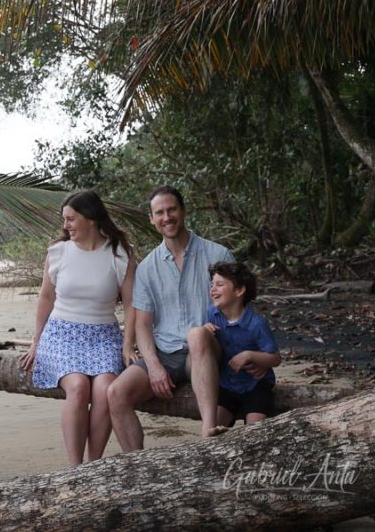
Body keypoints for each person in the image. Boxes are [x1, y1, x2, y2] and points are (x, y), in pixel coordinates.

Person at [107, 185, 234, 451]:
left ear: (183, 210)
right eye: (160, 213)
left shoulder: (218, 255)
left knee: (197, 334)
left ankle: (208, 430)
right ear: (152, 219)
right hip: (166, 351)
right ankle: (136, 463)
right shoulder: (147, 268)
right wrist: (153, 366)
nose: (167, 217)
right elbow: (142, 324)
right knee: (115, 393)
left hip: (209, 347)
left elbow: (236, 310)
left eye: (172, 209)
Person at [20, 190, 137, 466]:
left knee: (105, 388)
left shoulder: (120, 254)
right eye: (64, 219)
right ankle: (75, 466)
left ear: (91, 219)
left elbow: (132, 304)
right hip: (61, 334)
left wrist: (127, 343)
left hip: (104, 335)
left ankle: (93, 463)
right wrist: (36, 341)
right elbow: (46, 297)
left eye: (71, 219)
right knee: (78, 387)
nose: (66, 226)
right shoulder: (59, 252)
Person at [204, 261, 281, 427]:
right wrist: (206, 330)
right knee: (215, 424)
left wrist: (250, 355)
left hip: (256, 385)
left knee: (255, 429)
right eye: (212, 285)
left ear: (239, 290)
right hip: (227, 384)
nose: (213, 289)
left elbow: (275, 358)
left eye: (219, 285)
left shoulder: (256, 324)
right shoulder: (212, 313)